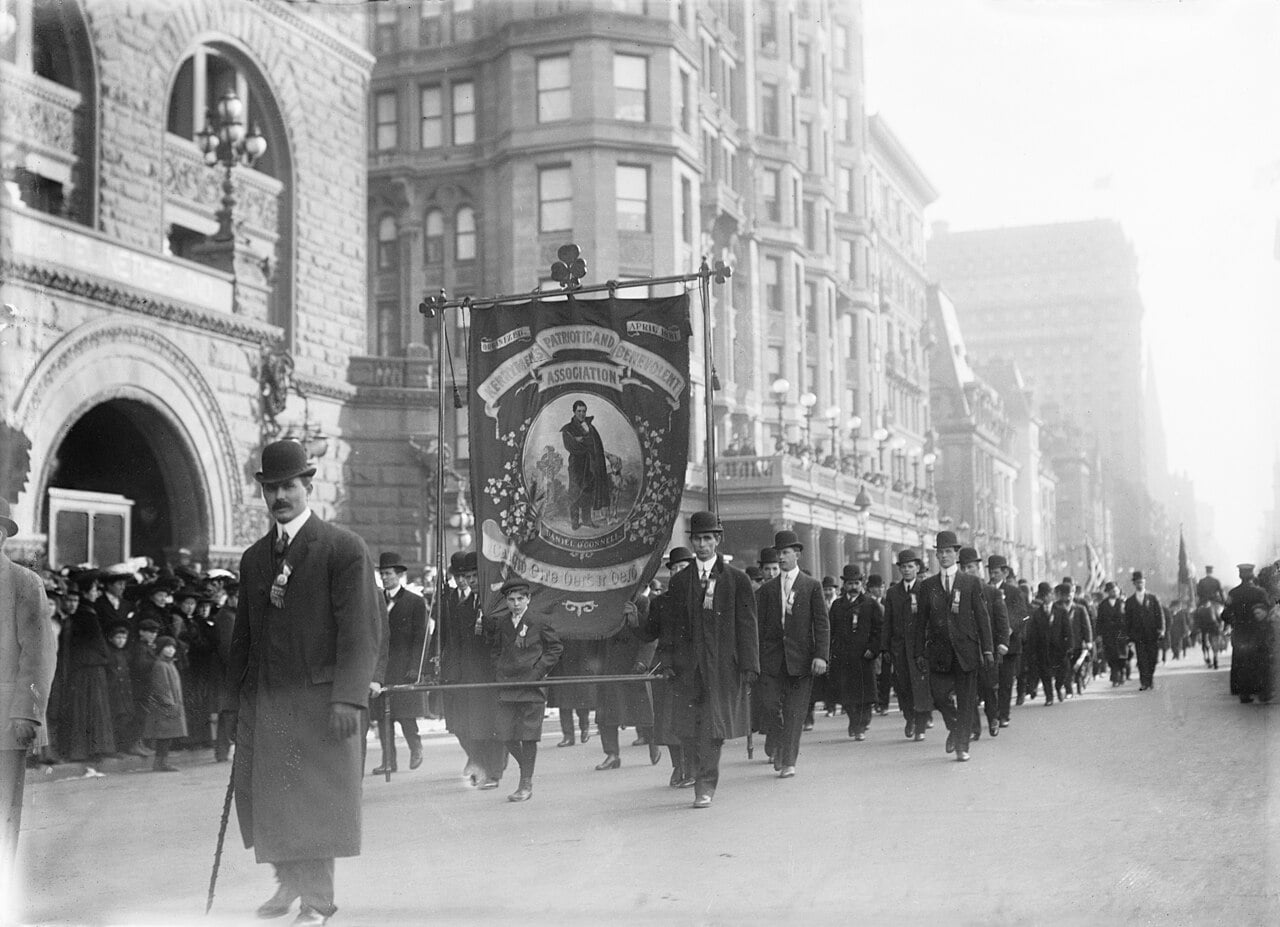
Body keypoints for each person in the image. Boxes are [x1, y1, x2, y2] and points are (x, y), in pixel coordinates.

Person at [222, 439, 381, 926]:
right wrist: (232, 705)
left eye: (288, 485)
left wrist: (349, 699)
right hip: (268, 705)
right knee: (270, 800)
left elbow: (360, 631)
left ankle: (316, 899)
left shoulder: (341, 549)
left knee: (316, 802)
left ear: (308, 485)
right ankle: (288, 882)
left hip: (321, 703)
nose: (279, 496)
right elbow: (243, 639)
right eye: (270, 488)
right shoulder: (254, 559)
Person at [663, 512, 758, 808]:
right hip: (688, 669)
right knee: (690, 728)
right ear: (691, 541)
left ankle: (705, 786)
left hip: (722, 668)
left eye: (707, 538)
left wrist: (749, 665)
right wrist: (668, 661)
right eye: (697, 539)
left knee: (712, 730)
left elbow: (747, 624)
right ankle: (696, 774)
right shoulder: (680, 582)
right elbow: (671, 627)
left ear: (717, 540)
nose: (702, 544)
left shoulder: (736, 580)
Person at [0, 498, 58, 920]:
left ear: (3, 535)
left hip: (4, 720)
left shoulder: (22, 583)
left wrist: (27, 712)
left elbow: (38, 654)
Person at [754, 529, 829, 779]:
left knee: (795, 713)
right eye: (778, 553)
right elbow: (759, 628)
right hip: (772, 661)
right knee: (770, 705)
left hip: (802, 661)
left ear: (797, 554)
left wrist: (821, 655)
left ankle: (788, 760)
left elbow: (821, 624)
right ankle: (776, 739)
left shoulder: (811, 586)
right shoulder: (766, 590)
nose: (781, 558)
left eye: (785, 553)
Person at [915, 531, 993, 762]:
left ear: (956, 554)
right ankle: (956, 726)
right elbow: (921, 622)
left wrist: (987, 648)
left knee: (967, 699)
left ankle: (962, 746)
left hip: (966, 651)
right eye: (940, 552)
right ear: (936, 555)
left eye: (949, 551)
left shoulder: (970, 582)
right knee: (938, 696)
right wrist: (919, 651)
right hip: (939, 652)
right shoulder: (928, 585)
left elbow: (982, 617)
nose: (944, 556)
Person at [490, 576, 563, 802]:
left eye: (520, 599)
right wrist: (499, 669)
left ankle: (526, 783)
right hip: (508, 685)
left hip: (532, 685)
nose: (515, 604)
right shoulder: (502, 622)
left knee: (528, 735)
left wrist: (537, 671)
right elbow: (494, 649)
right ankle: (527, 769)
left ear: (528, 598)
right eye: (511, 600)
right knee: (504, 734)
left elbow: (555, 648)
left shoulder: (539, 620)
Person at [439, 551, 505, 788]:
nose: (471, 580)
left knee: (494, 725)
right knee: (468, 724)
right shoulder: (463, 605)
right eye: (466, 576)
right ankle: (483, 765)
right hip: (468, 676)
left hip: (492, 676)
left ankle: (494, 772)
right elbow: (454, 642)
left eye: (475, 575)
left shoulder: (496, 604)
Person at [638, 547, 697, 788]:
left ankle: (692, 768)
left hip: (693, 668)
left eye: (683, 568)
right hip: (667, 668)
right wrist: (634, 620)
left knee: (691, 720)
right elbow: (649, 633)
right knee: (669, 720)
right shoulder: (661, 602)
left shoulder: (701, 599)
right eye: (674, 569)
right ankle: (677, 765)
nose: (678, 572)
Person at [370, 552, 429, 775]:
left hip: (404, 668)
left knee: (405, 715)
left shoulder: (414, 602)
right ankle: (388, 761)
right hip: (382, 668)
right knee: (383, 719)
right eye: (381, 574)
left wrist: (415, 667)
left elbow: (420, 637)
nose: (384, 578)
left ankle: (416, 748)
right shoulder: (376, 602)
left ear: (400, 575)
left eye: (388, 574)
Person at [598, 593, 659, 769]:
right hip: (609, 664)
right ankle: (612, 754)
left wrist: (642, 662)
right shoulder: (605, 601)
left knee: (644, 710)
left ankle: (653, 744)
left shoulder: (641, 601)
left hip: (634, 664)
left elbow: (650, 635)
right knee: (607, 713)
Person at [880, 549, 932, 741]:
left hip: (920, 649)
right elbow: (888, 622)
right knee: (903, 687)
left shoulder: (925, 589)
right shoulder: (893, 593)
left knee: (920, 687)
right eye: (903, 567)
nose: (907, 570)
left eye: (910, 566)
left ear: (917, 568)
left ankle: (920, 726)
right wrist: (885, 647)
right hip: (899, 648)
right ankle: (909, 718)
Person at [959, 548, 1008, 739]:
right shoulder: (958, 593)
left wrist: (1003, 642)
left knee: (989, 687)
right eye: (964, 567)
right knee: (969, 691)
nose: (967, 570)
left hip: (988, 648)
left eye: (970, 566)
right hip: (967, 649)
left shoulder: (992, 592)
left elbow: (1002, 620)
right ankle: (974, 729)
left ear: (978, 568)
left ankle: (993, 717)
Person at [987, 555, 1027, 728]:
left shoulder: (1014, 592)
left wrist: (1010, 629)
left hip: (1010, 645)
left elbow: (1023, 614)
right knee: (990, 680)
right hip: (991, 643)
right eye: (991, 572)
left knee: (1005, 681)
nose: (993, 575)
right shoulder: (985, 589)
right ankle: (993, 712)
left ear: (1004, 572)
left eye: (996, 572)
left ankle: (1004, 714)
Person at [1223, 563, 1271, 702]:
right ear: (1252, 575)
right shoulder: (1261, 592)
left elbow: (1224, 614)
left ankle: (1244, 694)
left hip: (1240, 633)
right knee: (1261, 661)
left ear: (1240, 575)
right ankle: (1263, 693)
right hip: (1258, 632)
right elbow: (1268, 610)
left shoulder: (1233, 593)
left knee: (1241, 662)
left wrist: (1234, 622)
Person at [560, 399, 611, 530]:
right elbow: (571, 446)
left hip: (590, 465)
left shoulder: (590, 427)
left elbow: (596, 446)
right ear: (574, 412)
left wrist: (583, 440)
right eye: (579, 411)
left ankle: (587, 520)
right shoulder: (568, 429)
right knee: (575, 493)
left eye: (584, 411)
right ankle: (575, 522)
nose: (582, 414)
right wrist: (585, 442)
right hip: (576, 466)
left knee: (588, 492)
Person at [143, 635, 187, 772]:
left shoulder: (170, 664)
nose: (171, 650)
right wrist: (169, 702)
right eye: (167, 647)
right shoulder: (161, 665)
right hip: (165, 707)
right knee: (164, 736)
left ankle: (162, 762)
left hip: (171, 705)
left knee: (167, 736)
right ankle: (160, 763)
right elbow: (161, 687)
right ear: (161, 648)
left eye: (173, 647)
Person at [1124, 571, 1164, 691]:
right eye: (1137, 582)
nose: (1139, 584)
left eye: (1141, 582)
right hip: (1138, 636)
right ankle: (1144, 682)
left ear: (1144, 582)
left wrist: (1161, 629)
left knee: (1152, 658)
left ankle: (1150, 678)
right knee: (1141, 659)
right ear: (1134, 584)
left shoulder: (1152, 598)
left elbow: (1159, 615)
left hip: (1152, 634)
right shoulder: (1130, 601)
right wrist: (1128, 637)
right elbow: (1127, 620)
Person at [1095, 582, 1129, 685]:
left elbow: (1129, 618)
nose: (1114, 592)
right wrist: (1099, 634)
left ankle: (1122, 672)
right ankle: (1115, 676)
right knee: (1111, 655)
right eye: (1111, 591)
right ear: (1108, 592)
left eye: (1116, 590)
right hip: (1108, 634)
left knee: (1122, 654)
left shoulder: (1123, 603)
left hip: (1121, 633)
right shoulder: (1103, 605)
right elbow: (1099, 620)